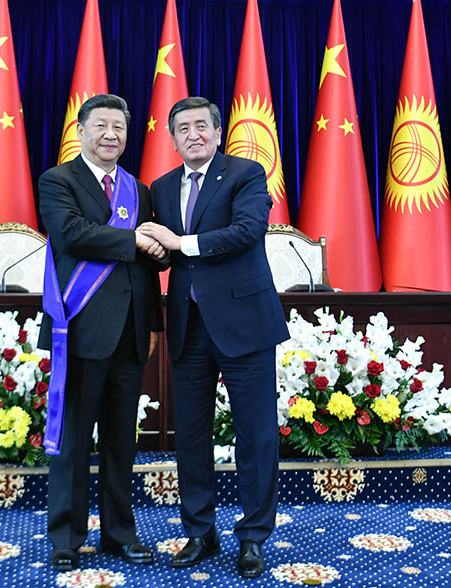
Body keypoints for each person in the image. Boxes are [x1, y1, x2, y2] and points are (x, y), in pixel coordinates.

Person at [138, 96, 288, 579]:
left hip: (245, 323)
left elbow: (247, 231)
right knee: (191, 435)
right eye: (183, 128)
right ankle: (200, 531)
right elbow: (163, 253)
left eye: (201, 126)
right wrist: (157, 251)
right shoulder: (161, 187)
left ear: (218, 132)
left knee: (256, 434)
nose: (193, 135)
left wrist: (180, 243)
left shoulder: (246, 173)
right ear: (173, 138)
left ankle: (253, 536)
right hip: (189, 325)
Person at [38, 93, 165, 572]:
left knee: (120, 441)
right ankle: (66, 537)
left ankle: (119, 533)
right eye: (102, 126)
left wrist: (153, 322)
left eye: (119, 127)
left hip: (130, 334)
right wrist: (136, 239)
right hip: (81, 330)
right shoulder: (58, 181)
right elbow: (72, 234)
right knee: (74, 442)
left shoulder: (139, 190)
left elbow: (148, 267)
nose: (111, 135)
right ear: (81, 131)